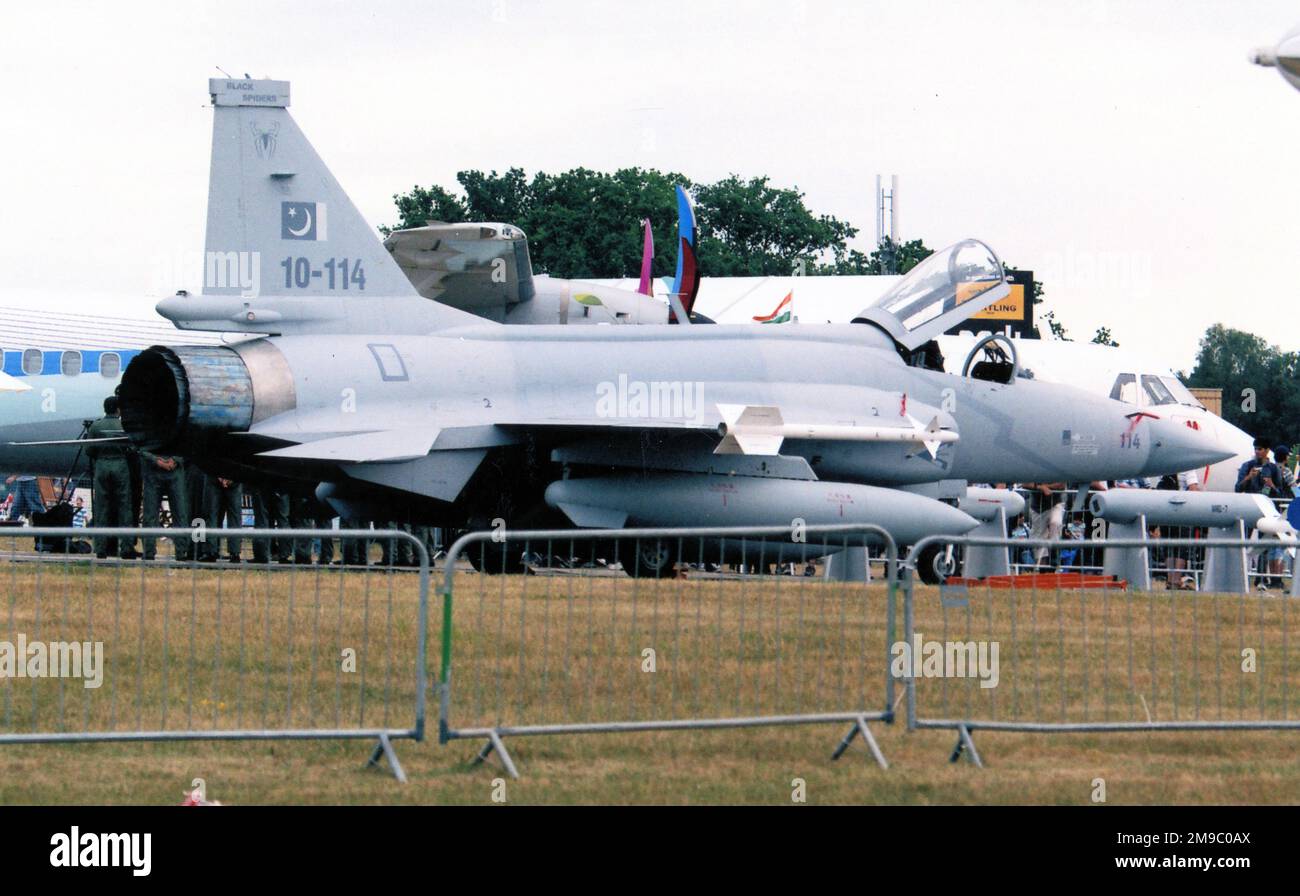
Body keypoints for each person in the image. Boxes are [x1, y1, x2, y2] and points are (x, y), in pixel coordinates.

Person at [84, 397, 135, 559]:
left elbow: (89, 450)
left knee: (101, 507)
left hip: (102, 465)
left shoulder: (96, 426)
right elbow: (132, 448)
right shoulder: (124, 425)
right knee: (124, 507)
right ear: (118, 409)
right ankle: (126, 547)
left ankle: (100, 548)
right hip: (120, 465)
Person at [139, 450, 191, 561]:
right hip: (162, 470)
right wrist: (172, 460)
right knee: (152, 514)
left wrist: (159, 460)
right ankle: (150, 551)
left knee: (179, 512)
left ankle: (180, 551)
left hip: (164, 469)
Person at [251, 486, 291, 564]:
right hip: (282, 485)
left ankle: (262, 554)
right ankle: (284, 555)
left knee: (262, 519)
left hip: (262, 484)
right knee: (283, 519)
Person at [208, 477, 245, 562]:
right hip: (229, 479)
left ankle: (212, 552)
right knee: (214, 516)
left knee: (213, 515)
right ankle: (233, 553)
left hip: (225, 480)